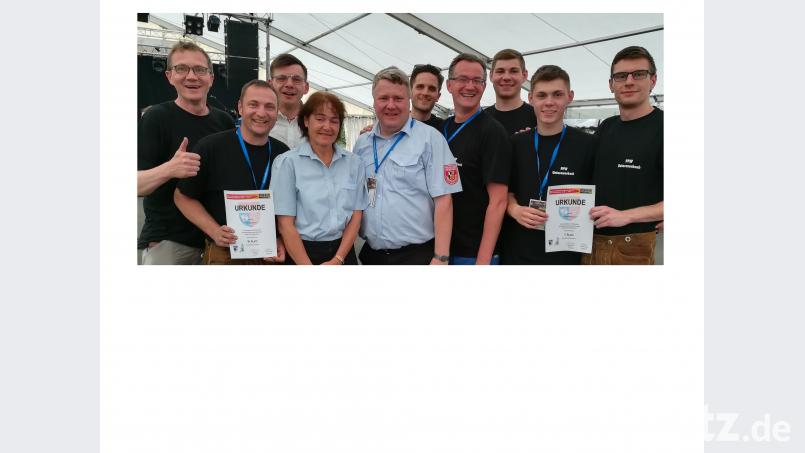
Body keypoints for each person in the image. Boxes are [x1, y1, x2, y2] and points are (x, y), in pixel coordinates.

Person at [137, 41, 235, 264]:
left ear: (211, 77)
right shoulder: (156, 118)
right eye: (182, 69)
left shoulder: (224, 121)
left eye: (200, 70)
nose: (192, 76)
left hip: (217, 239)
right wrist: (170, 169)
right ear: (170, 76)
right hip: (171, 242)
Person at [353, 66, 461, 265]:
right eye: (384, 98)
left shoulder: (431, 139)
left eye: (398, 98)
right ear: (374, 101)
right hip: (371, 255)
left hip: (416, 256)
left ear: (409, 100)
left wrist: (441, 257)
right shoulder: (362, 144)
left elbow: (444, 200)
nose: (391, 105)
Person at [174, 80, 290, 265]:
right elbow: (182, 196)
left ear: (276, 112)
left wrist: (283, 239)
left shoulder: (283, 154)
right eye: (253, 104)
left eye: (269, 107)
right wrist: (213, 231)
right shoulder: (211, 147)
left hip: (270, 254)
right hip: (225, 253)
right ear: (240, 107)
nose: (261, 113)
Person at [503, 65, 596, 264]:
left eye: (557, 94)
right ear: (531, 98)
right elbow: (505, 190)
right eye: (542, 95)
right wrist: (514, 210)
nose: (549, 102)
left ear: (569, 97)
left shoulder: (588, 145)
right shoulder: (515, 143)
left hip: (567, 254)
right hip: (517, 251)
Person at [583, 46, 663, 265]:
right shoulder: (606, 127)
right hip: (589, 243)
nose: (629, 81)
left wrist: (627, 216)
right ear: (611, 84)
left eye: (638, 74)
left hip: (633, 247)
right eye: (621, 76)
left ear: (653, 80)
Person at [269, 92, 368, 265]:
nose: (327, 126)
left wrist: (338, 259)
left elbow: (356, 215)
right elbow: (285, 225)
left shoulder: (354, 163)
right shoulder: (287, 163)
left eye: (334, 120)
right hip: (301, 252)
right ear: (306, 121)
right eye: (320, 119)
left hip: (343, 251)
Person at [442, 53, 511, 265]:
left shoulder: (492, 132)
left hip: (473, 252)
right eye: (462, 79)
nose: (470, 86)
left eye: (477, 81)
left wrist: (483, 261)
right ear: (449, 85)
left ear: (484, 85)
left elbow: (498, 201)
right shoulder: (441, 128)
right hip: (440, 246)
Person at [484, 49, 537, 135]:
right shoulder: (480, 120)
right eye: (500, 71)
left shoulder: (539, 119)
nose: (506, 77)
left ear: (524, 76)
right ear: (491, 76)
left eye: (513, 71)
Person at [268, 53, 310, 149]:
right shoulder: (261, 121)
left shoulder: (316, 122)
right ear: (270, 85)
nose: (289, 84)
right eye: (281, 78)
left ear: (306, 87)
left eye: (296, 79)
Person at [410, 64, 445, 131]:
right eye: (420, 87)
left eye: (432, 89)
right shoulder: (396, 123)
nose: (425, 93)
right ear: (410, 91)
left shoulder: (444, 129)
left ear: (438, 96)